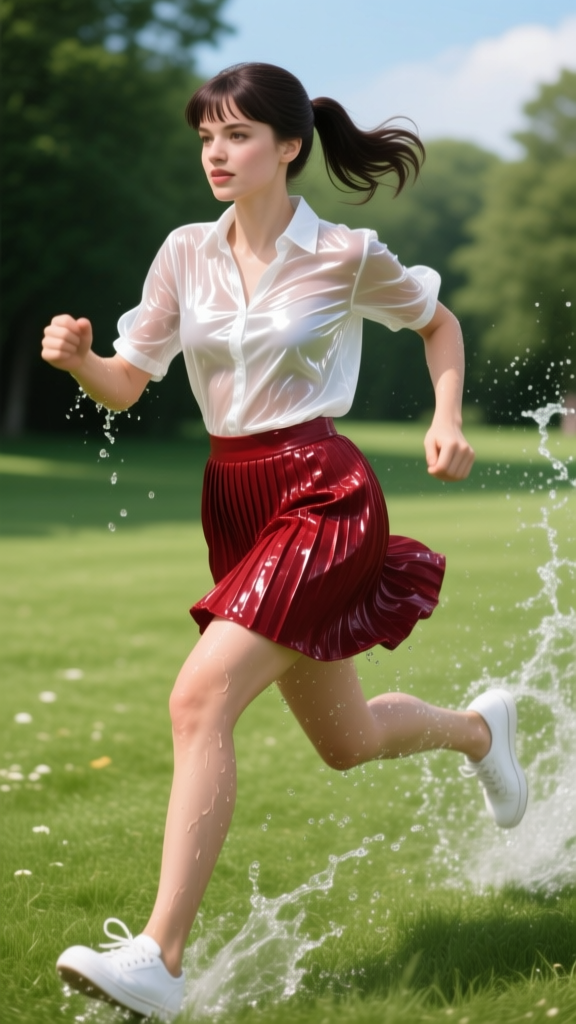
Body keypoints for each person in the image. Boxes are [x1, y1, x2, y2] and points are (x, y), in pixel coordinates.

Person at [42, 63, 527, 1022]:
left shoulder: (345, 252)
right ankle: (480, 731)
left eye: (237, 137)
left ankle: (159, 959)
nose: (216, 155)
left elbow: (439, 323)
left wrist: (447, 417)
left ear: (289, 146)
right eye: (206, 139)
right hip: (235, 498)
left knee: (200, 694)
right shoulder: (183, 251)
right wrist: (81, 361)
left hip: (323, 492)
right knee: (344, 744)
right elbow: (131, 382)